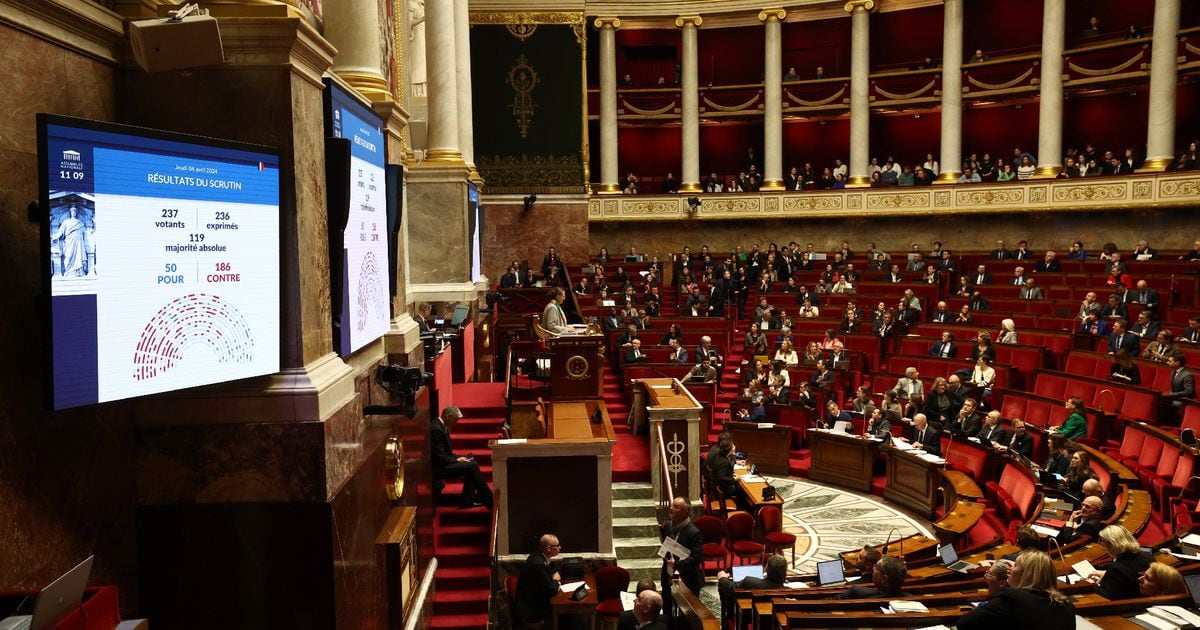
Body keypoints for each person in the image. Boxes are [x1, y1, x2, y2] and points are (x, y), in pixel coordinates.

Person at [957, 550, 1074, 629]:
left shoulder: (1012, 598)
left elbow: (964, 624)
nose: (1010, 570)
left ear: (1026, 574)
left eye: (1015, 566)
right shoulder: (1066, 604)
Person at [431, 405, 494, 509]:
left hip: (443, 463)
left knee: (470, 464)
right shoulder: (436, 429)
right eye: (455, 420)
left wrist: (459, 457)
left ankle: (467, 501)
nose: (456, 423)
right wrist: (456, 460)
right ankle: (489, 501)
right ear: (448, 416)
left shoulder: (442, 426)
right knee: (473, 466)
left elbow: (446, 453)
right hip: (438, 469)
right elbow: (439, 457)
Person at [660, 497, 704, 610]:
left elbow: (696, 558)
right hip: (667, 577)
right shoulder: (668, 526)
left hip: (688, 580)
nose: (671, 509)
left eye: (676, 507)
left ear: (686, 512)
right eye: (672, 505)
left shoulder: (694, 533)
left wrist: (677, 565)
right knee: (667, 610)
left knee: (687, 616)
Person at [716, 554, 787, 622]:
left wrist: (722, 578)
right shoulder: (789, 592)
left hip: (750, 620)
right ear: (785, 574)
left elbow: (729, 587)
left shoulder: (750, 582)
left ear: (766, 569)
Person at [514, 534, 562, 626]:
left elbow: (552, 570)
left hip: (534, 600)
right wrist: (556, 580)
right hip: (531, 610)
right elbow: (552, 590)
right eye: (557, 545)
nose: (560, 547)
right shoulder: (537, 564)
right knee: (567, 617)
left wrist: (554, 577)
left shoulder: (539, 555)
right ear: (548, 548)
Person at [833, 554, 907, 599]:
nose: (873, 569)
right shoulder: (912, 599)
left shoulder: (856, 592)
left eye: (876, 567)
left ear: (884, 578)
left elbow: (827, 602)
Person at [53, 205, 89, 277]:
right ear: (70, 213)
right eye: (72, 211)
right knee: (68, 256)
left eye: (75, 211)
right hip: (69, 241)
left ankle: (79, 272)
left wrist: (90, 231)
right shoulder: (66, 222)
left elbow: (84, 231)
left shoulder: (80, 222)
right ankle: (68, 271)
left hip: (79, 242)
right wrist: (56, 237)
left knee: (79, 255)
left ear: (76, 213)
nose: (74, 213)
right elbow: (61, 231)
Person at [1166, 354, 1196, 419]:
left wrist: (1172, 394)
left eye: (1170, 361)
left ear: (1177, 363)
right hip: (1174, 398)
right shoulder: (1173, 371)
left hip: (1183, 400)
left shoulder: (1187, 375)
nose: (1167, 362)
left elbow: (1189, 392)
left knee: (1164, 404)